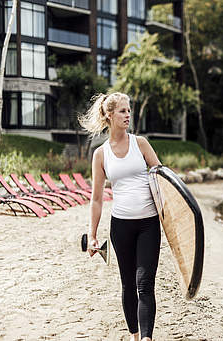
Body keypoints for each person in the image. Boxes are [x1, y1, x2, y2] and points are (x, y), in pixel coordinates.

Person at [79, 92, 161, 341]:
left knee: (144, 283)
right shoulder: (101, 155)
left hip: (149, 223)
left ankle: (147, 338)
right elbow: (95, 199)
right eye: (123, 111)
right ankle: (135, 336)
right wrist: (92, 235)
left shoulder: (141, 143)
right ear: (109, 115)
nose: (128, 115)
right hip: (121, 227)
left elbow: (161, 178)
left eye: (129, 110)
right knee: (128, 285)